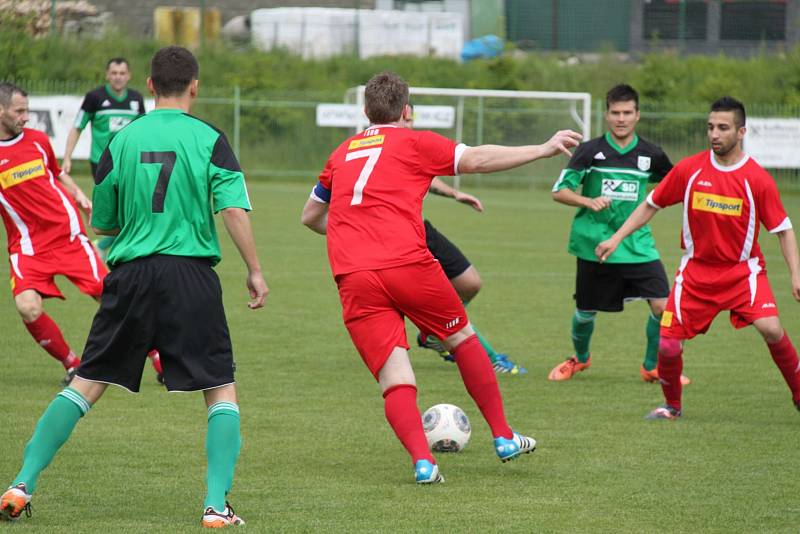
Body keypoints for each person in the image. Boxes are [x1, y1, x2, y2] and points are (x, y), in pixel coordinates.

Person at [0, 46, 268, 527]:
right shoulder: (210, 137)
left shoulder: (120, 143)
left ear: (148, 86)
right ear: (195, 86)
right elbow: (232, 208)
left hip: (130, 276)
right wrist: (254, 269)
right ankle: (214, 506)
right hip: (190, 274)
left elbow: (103, 222)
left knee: (85, 384)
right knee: (220, 390)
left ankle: (21, 483)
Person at [301, 71, 582, 483]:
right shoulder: (414, 140)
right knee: (462, 339)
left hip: (354, 274)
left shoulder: (341, 152)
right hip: (406, 263)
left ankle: (423, 463)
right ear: (407, 111)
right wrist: (541, 149)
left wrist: (353, 230)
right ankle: (504, 437)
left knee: (394, 377)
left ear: (365, 112)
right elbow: (477, 159)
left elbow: (310, 217)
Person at [596, 96, 800, 420]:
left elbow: (783, 230)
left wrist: (795, 275)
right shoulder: (690, 169)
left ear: (741, 131)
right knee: (667, 345)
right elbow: (651, 203)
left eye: (723, 127)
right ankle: (671, 407)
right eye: (710, 127)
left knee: (772, 329)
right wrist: (616, 238)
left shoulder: (756, 178)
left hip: (741, 273)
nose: (715, 134)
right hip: (695, 274)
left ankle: (799, 392)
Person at [548, 84, 689, 385]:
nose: (621, 119)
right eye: (615, 113)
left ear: (637, 115)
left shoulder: (652, 155)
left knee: (662, 306)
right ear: (607, 114)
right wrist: (587, 201)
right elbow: (559, 191)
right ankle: (581, 359)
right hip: (593, 243)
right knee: (585, 312)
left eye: (627, 113)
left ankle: (652, 366)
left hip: (637, 244)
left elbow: (675, 185)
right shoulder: (589, 151)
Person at [404, 106, 526, 375]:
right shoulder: (375, 147)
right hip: (401, 238)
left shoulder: (411, 145)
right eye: (407, 119)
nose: (409, 124)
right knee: (443, 301)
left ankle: (432, 334)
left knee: (470, 283)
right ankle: (491, 359)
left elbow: (426, 177)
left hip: (422, 229)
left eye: (412, 119)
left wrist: (455, 194)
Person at [0, 82, 102, 385]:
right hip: (28, 248)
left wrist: (82, 197)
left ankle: (159, 359)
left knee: (112, 297)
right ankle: (73, 365)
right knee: (27, 306)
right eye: (19, 111)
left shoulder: (38, 140)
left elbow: (57, 174)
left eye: (27, 110)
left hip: (66, 235)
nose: (26, 117)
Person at [61, 57, 146, 262]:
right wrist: (67, 158)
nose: (118, 77)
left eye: (122, 73)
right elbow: (77, 127)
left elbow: (144, 132)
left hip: (128, 163)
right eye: (114, 73)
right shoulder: (95, 97)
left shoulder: (136, 99)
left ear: (129, 76)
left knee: (131, 209)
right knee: (121, 210)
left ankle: (103, 246)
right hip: (102, 164)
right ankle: (107, 246)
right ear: (107, 75)